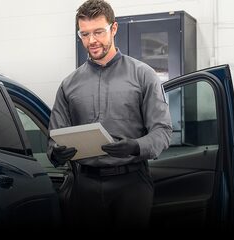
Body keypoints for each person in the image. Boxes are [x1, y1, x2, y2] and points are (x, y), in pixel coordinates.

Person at [47, 0, 172, 230]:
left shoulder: (143, 75)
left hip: (131, 184)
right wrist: (57, 152)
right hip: (84, 185)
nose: (91, 41)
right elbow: (54, 138)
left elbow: (163, 131)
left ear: (114, 29)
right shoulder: (69, 85)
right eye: (84, 34)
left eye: (98, 32)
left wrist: (135, 146)